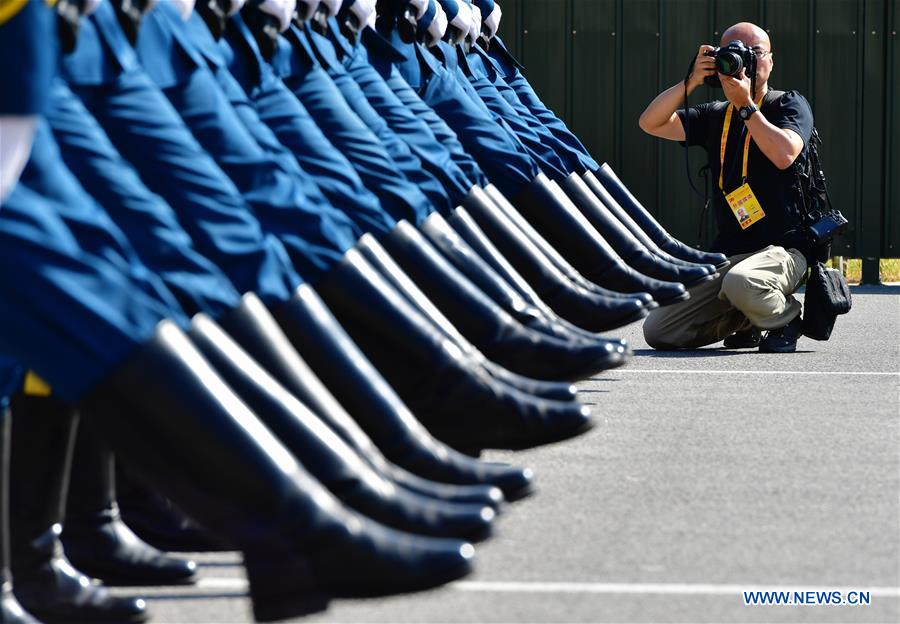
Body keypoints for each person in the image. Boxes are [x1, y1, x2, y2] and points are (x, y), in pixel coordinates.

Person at [638, 21, 814, 353]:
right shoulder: (715, 115)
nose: (745, 61)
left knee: (743, 282)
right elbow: (651, 123)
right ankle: (749, 318)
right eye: (733, 53)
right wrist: (690, 82)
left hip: (786, 250)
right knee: (660, 330)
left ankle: (786, 319)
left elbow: (785, 154)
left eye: (755, 53)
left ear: (771, 60)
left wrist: (747, 106)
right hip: (732, 255)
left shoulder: (787, 104)